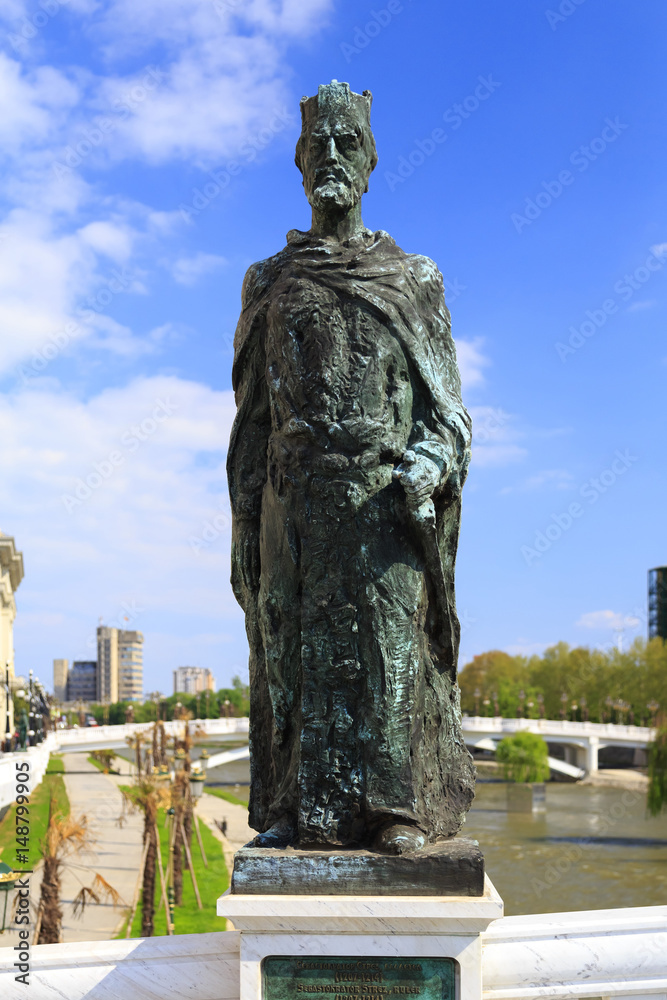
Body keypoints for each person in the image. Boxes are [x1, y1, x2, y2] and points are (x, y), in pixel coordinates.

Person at [228, 81, 474, 854]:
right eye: (317, 145)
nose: (331, 156)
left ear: (368, 161)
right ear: (299, 164)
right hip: (292, 508)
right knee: (294, 655)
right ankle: (300, 808)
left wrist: (431, 461)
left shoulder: (414, 280)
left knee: (386, 653)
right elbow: (250, 424)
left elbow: (449, 414)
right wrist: (243, 526)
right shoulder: (267, 281)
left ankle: (394, 808)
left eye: (346, 143)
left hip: (381, 507)